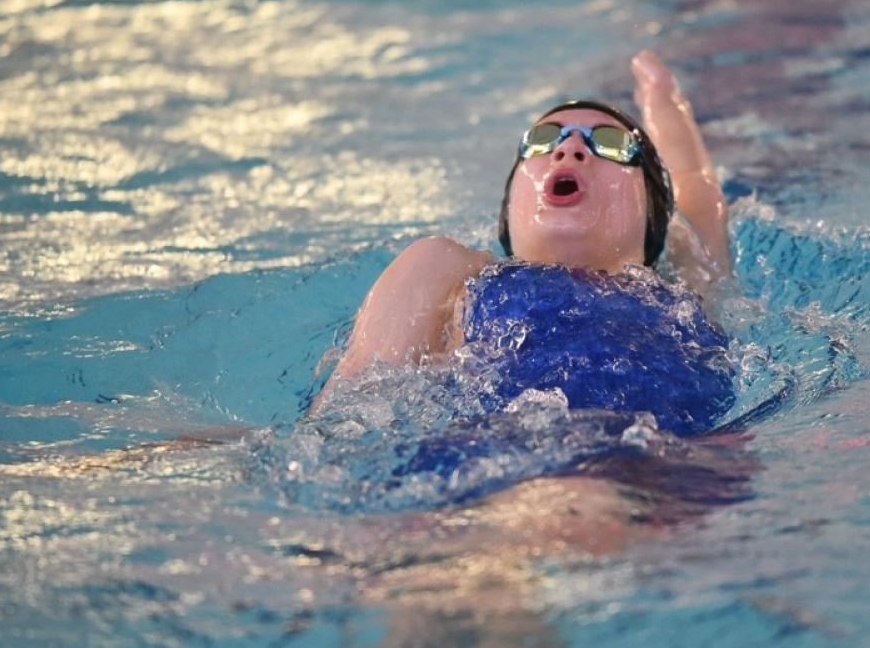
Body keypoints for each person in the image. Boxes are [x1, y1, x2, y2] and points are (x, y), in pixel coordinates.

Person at [312, 49, 735, 440]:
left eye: (610, 144)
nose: (569, 148)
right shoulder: (447, 274)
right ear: (511, 203)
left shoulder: (685, 292)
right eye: (543, 139)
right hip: (513, 482)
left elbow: (697, 187)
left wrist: (664, 98)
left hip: (684, 486)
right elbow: (344, 420)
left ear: (653, 217)